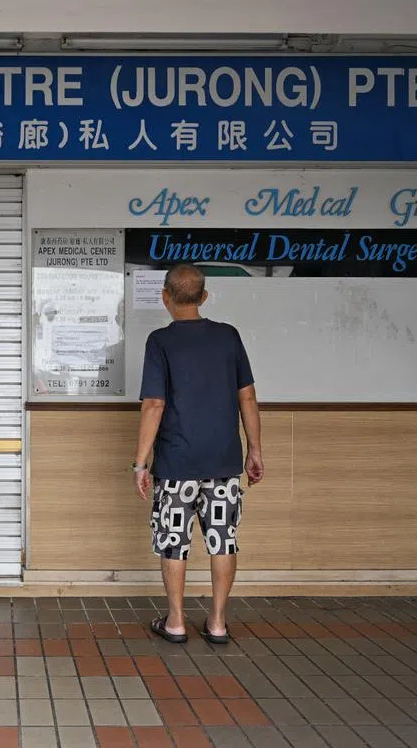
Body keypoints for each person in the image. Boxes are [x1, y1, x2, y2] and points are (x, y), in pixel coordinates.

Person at [133, 263, 263, 644]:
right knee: (222, 538)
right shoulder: (229, 337)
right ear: (204, 297)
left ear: (165, 297)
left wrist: (140, 463)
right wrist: (255, 450)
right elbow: (248, 397)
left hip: (176, 463)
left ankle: (175, 621)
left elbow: (154, 404)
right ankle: (218, 622)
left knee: (175, 540)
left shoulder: (160, 341)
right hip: (223, 461)